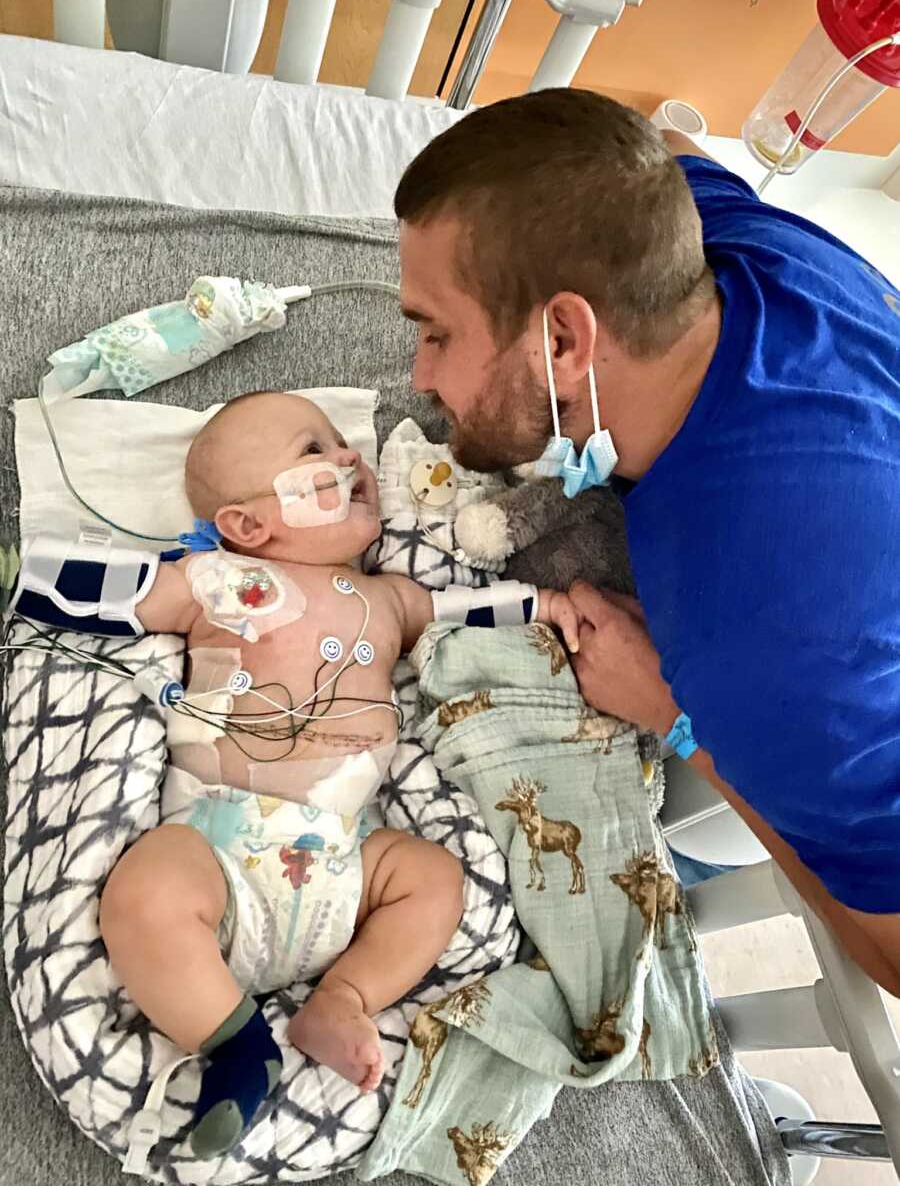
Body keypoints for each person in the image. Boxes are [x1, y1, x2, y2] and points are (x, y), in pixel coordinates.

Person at [394, 88, 900, 996]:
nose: (420, 374)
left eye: (436, 332)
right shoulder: (733, 245)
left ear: (563, 337)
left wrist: (677, 718)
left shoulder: (756, 639)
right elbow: (661, 140)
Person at [88, 391, 577, 1157]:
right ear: (250, 526)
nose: (349, 454)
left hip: (345, 861)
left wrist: (544, 604)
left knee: (435, 881)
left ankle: (343, 996)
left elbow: (466, 610)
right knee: (143, 890)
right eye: (312, 450)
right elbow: (113, 595)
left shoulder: (390, 598)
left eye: (339, 443)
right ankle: (236, 1042)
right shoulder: (218, 580)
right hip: (217, 846)